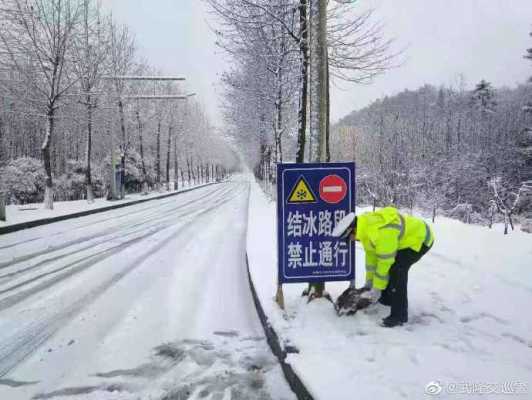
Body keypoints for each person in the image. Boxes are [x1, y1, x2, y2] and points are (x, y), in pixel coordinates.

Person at [332, 207, 434, 328]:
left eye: (349, 238)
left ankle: (399, 316)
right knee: (389, 269)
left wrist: (377, 289)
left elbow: (385, 261)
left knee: (397, 270)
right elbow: (372, 260)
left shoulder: (381, 232)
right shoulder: (366, 230)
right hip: (404, 240)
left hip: (420, 239)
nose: (351, 241)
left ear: (352, 231)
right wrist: (369, 284)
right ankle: (387, 299)